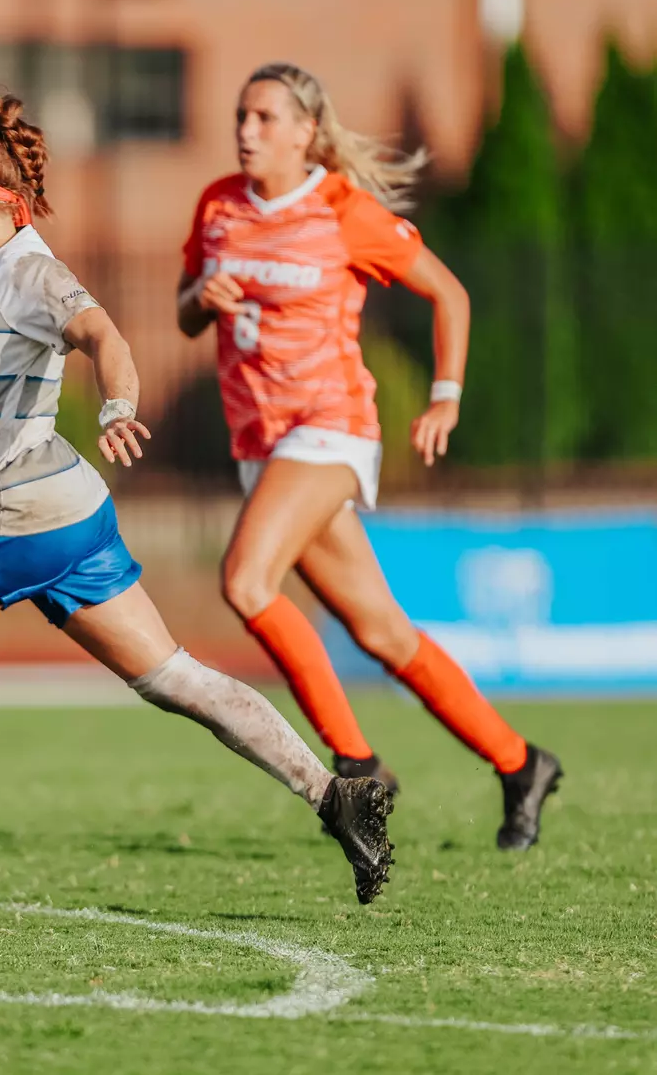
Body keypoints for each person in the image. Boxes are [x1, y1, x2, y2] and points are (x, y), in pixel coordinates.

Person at [0, 92, 394, 912]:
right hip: (68, 520)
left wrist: (115, 404)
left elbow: (105, 337)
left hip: (19, 517)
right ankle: (333, 796)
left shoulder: (32, 272)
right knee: (172, 676)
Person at [175, 62, 562, 851]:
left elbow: (449, 292)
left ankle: (356, 766)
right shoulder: (217, 204)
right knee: (382, 633)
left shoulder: (341, 210)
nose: (246, 131)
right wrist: (199, 298)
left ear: (306, 131)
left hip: (330, 427)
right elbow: (186, 312)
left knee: (246, 582)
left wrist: (446, 394)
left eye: (265, 118)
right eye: (241, 116)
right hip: (262, 443)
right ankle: (521, 764)